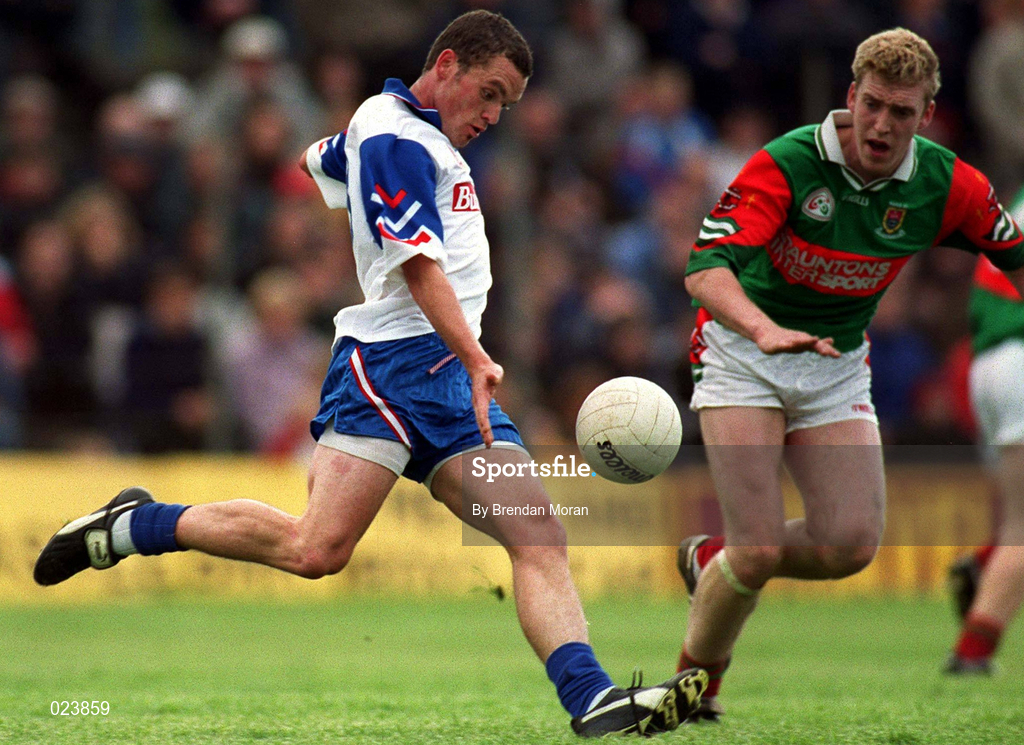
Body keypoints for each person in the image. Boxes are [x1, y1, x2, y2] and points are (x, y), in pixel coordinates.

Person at [33, 10, 706, 737]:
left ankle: (591, 697)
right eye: (487, 93)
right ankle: (132, 525)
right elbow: (418, 265)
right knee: (315, 549)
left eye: (504, 105)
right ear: (446, 64)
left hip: (449, 377)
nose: (490, 115)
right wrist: (479, 354)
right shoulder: (396, 135)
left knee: (538, 534)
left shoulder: (394, 134)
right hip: (389, 369)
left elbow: (312, 159)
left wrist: (342, 154)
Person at [673, 28, 1024, 721]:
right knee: (759, 546)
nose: (882, 124)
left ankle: (712, 557)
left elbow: (1013, 253)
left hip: (835, 366)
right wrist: (763, 328)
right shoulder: (789, 163)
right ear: (851, 98)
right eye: (872, 105)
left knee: (850, 546)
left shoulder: (948, 183)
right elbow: (704, 270)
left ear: (926, 116)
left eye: (901, 112)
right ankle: (693, 688)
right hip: (743, 354)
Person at [945, 184, 1024, 675]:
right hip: (1019, 359)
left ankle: (987, 563)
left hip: (989, 362)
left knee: (1016, 519)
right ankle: (972, 655)